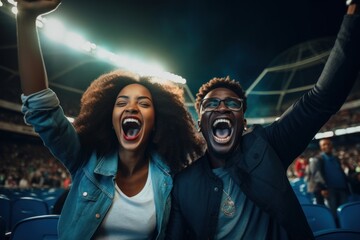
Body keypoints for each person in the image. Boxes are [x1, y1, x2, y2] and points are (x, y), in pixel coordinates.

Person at [166, 3, 360, 240]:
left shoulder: (268, 147)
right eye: (212, 104)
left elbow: (321, 99)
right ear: (200, 124)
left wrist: (353, 16)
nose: (223, 107)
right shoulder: (183, 185)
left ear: (243, 123)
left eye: (233, 104)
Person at [16, 0, 203, 239]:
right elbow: (41, 107)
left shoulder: (170, 176)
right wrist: (25, 18)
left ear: (156, 121)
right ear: (110, 117)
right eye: (122, 103)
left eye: (143, 104)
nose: (132, 108)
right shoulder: (85, 159)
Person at [307, 139, 350, 217]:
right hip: (329, 190)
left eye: (328, 144)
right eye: (324, 145)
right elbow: (317, 175)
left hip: (342, 188)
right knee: (333, 213)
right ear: (321, 147)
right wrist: (323, 188)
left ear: (331, 145)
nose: (327, 146)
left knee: (345, 212)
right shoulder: (317, 159)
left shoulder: (336, 158)